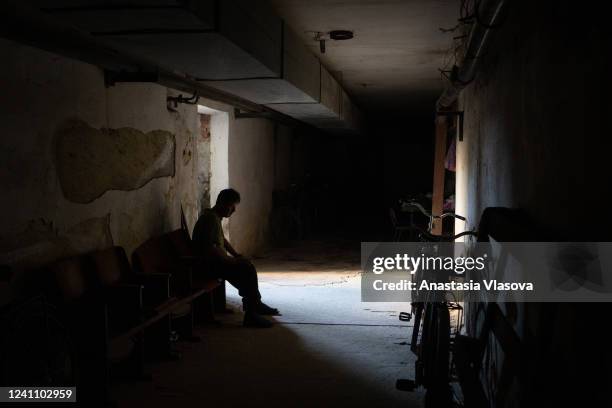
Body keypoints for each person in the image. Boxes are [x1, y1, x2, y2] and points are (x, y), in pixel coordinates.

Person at [193, 188, 279, 328]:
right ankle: (252, 312)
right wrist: (231, 261)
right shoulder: (210, 220)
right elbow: (211, 248)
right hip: (207, 265)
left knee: (245, 265)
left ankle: (255, 304)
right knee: (247, 269)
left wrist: (236, 255)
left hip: (213, 262)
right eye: (231, 206)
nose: (233, 210)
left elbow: (222, 241)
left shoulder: (214, 217)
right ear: (221, 203)